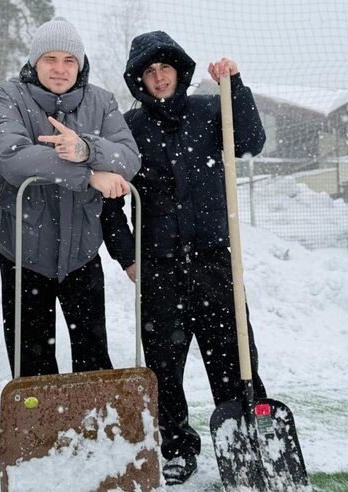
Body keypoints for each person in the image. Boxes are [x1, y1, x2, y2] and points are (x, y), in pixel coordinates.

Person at [101, 31, 268, 485]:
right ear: (140, 80)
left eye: (165, 69)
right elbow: (109, 201)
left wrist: (234, 87)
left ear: (179, 71)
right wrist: (126, 256)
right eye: (150, 72)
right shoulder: (129, 129)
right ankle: (174, 446)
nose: (159, 78)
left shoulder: (210, 112)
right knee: (164, 367)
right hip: (160, 267)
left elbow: (251, 140)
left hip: (214, 260)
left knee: (234, 357)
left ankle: (247, 439)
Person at [0, 17, 140, 378]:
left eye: (69, 60)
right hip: (23, 253)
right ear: (34, 62)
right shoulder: (7, 96)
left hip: (82, 252)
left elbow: (129, 158)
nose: (59, 69)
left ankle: (97, 426)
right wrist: (89, 175)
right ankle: (39, 430)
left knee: (93, 357)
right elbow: (13, 158)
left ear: (81, 64)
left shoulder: (101, 102)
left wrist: (85, 148)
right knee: (32, 366)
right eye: (50, 59)